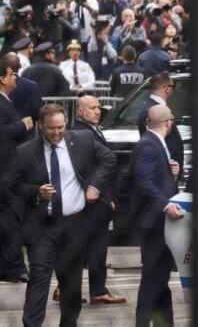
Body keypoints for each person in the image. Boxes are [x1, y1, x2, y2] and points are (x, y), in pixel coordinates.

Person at [15, 104, 116, 327]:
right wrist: (36, 192)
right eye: (51, 128)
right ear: (41, 126)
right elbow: (14, 186)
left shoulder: (83, 140)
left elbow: (109, 159)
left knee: (71, 285)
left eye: (61, 127)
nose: (57, 132)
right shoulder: (25, 152)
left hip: (74, 225)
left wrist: (95, 186)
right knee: (39, 278)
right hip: (42, 227)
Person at [71, 95, 126, 305]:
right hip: (93, 201)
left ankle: (73, 288)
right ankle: (97, 290)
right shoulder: (81, 132)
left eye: (98, 107)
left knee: (87, 247)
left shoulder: (91, 130)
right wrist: (103, 195)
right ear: (80, 112)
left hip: (98, 199)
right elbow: (87, 169)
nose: (97, 111)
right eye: (91, 108)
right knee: (94, 247)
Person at [130, 105, 182, 327]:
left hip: (160, 222)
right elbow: (143, 180)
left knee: (160, 278)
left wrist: (171, 176)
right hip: (154, 223)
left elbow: (153, 178)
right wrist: (165, 205)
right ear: (169, 122)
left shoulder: (154, 144)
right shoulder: (149, 145)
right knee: (153, 278)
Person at [0, 58, 33, 284]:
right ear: (2, 78)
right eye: (12, 75)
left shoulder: (6, 102)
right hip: (6, 174)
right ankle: (14, 267)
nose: (15, 79)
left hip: (9, 173)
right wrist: (23, 125)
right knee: (11, 220)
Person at [137, 72, 183, 179]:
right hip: (161, 172)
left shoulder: (155, 107)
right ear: (167, 89)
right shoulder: (151, 111)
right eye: (173, 86)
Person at [6, 53, 42, 139]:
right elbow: (37, 112)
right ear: (19, 66)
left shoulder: (2, 85)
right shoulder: (32, 86)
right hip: (26, 134)